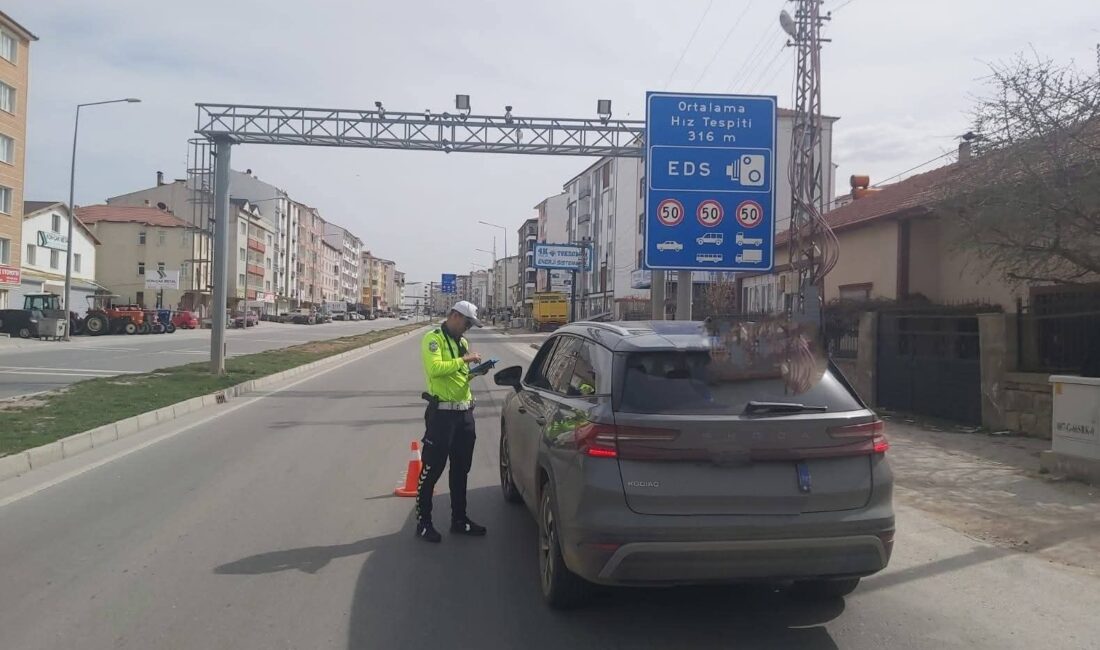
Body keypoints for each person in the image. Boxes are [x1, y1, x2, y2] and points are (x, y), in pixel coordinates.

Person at [416, 300, 487, 543]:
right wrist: (465, 361)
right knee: (432, 469)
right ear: (455, 316)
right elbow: (435, 368)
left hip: (464, 414)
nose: (468, 328)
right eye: (467, 323)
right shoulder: (432, 339)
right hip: (442, 416)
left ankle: (460, 519)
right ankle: (424, 522)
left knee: (461, 469)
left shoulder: (462, 342)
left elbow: (460, 375)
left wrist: (476, 371)